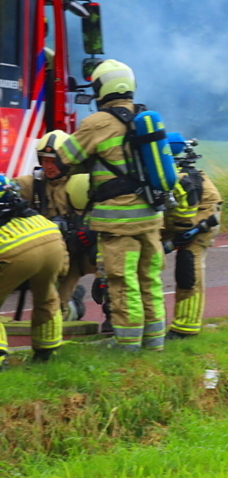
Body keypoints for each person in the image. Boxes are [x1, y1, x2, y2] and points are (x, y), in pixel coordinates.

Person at [55, 59, 167, 352]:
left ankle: (127, 344)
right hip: (151, 217)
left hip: (119, 222)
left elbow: (65, 158)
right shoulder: (143, 118)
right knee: (149, 279)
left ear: (100, 88)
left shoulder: (97, 123)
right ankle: (154, 341)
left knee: (122, 280)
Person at [15, 131, 90, 323]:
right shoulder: (35, 184)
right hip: (51, 254)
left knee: (115, 269)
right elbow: (11, 187)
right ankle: (72, 302)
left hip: (80, 253)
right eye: (44, 160)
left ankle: (110, 310)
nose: (48, 166)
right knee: (52, 314)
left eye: (54, 161)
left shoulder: (84, 183)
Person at [0, 174, 68, 367]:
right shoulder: (5, 185)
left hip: (11, 244)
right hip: (48, 233)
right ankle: (48, 351)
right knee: (46, 296)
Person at [163, 134, 223, 339]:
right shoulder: (172, 172)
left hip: (202, 215)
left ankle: (186, 327)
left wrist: (178, 236)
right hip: (185, 213)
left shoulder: (180, 177)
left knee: (188, 267)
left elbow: (184, 216)